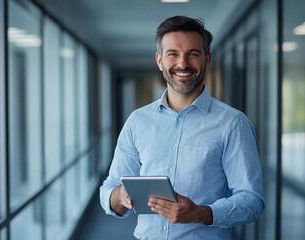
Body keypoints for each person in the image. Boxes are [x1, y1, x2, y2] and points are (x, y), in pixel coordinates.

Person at [100, 15, 265, 240]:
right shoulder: (138, 121)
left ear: (207, 59)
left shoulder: (233, 124)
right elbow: (109, 187)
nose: (183, 64)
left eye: (193, 54)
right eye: (173, 54)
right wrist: (119, 196)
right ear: (159, 60)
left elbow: (252, 201)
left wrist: (201, 214)